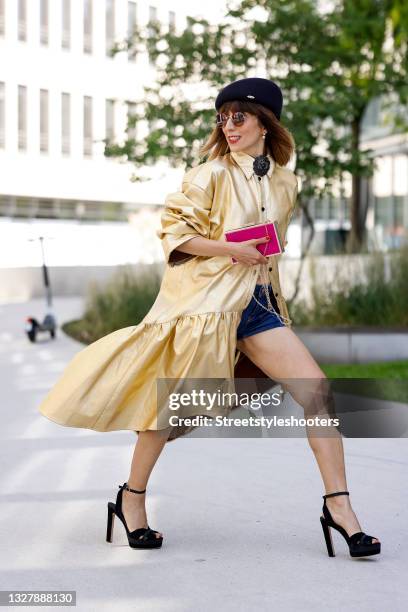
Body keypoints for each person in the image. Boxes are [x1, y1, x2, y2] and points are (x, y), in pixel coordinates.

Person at [38, 77, 380, 557]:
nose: (229, 124)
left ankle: (339, 509)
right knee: (167, 411)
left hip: (259, 309)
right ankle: (131, 499)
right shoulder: (209, 174)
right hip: (205, 311)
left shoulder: (286, 181)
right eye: (223, 117)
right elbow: (174, 234)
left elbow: (270, 250)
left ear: (266, 122)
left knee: (318, 392)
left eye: (240, 115)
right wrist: (227, 248)